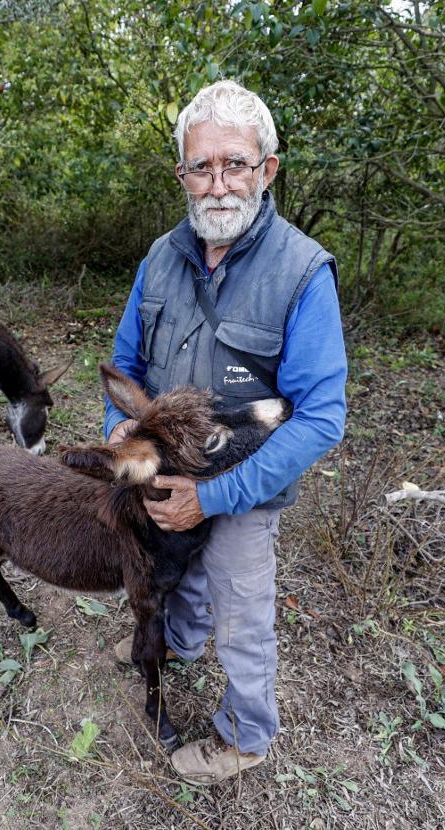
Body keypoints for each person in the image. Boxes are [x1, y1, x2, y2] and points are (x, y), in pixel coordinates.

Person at [103, 80, 347, 784]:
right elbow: (123, 363)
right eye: (201, 167)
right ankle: (175, 643)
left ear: (267, 169)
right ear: (181, 174)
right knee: (172, 580)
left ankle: (244, 737)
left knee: (240, 616)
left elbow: (323, 417)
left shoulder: (303, 271)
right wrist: (124, 435)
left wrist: (213, 498)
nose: (217, 184)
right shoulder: (160, 257)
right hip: (163, 473)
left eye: (234, 163)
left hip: (244, 485)